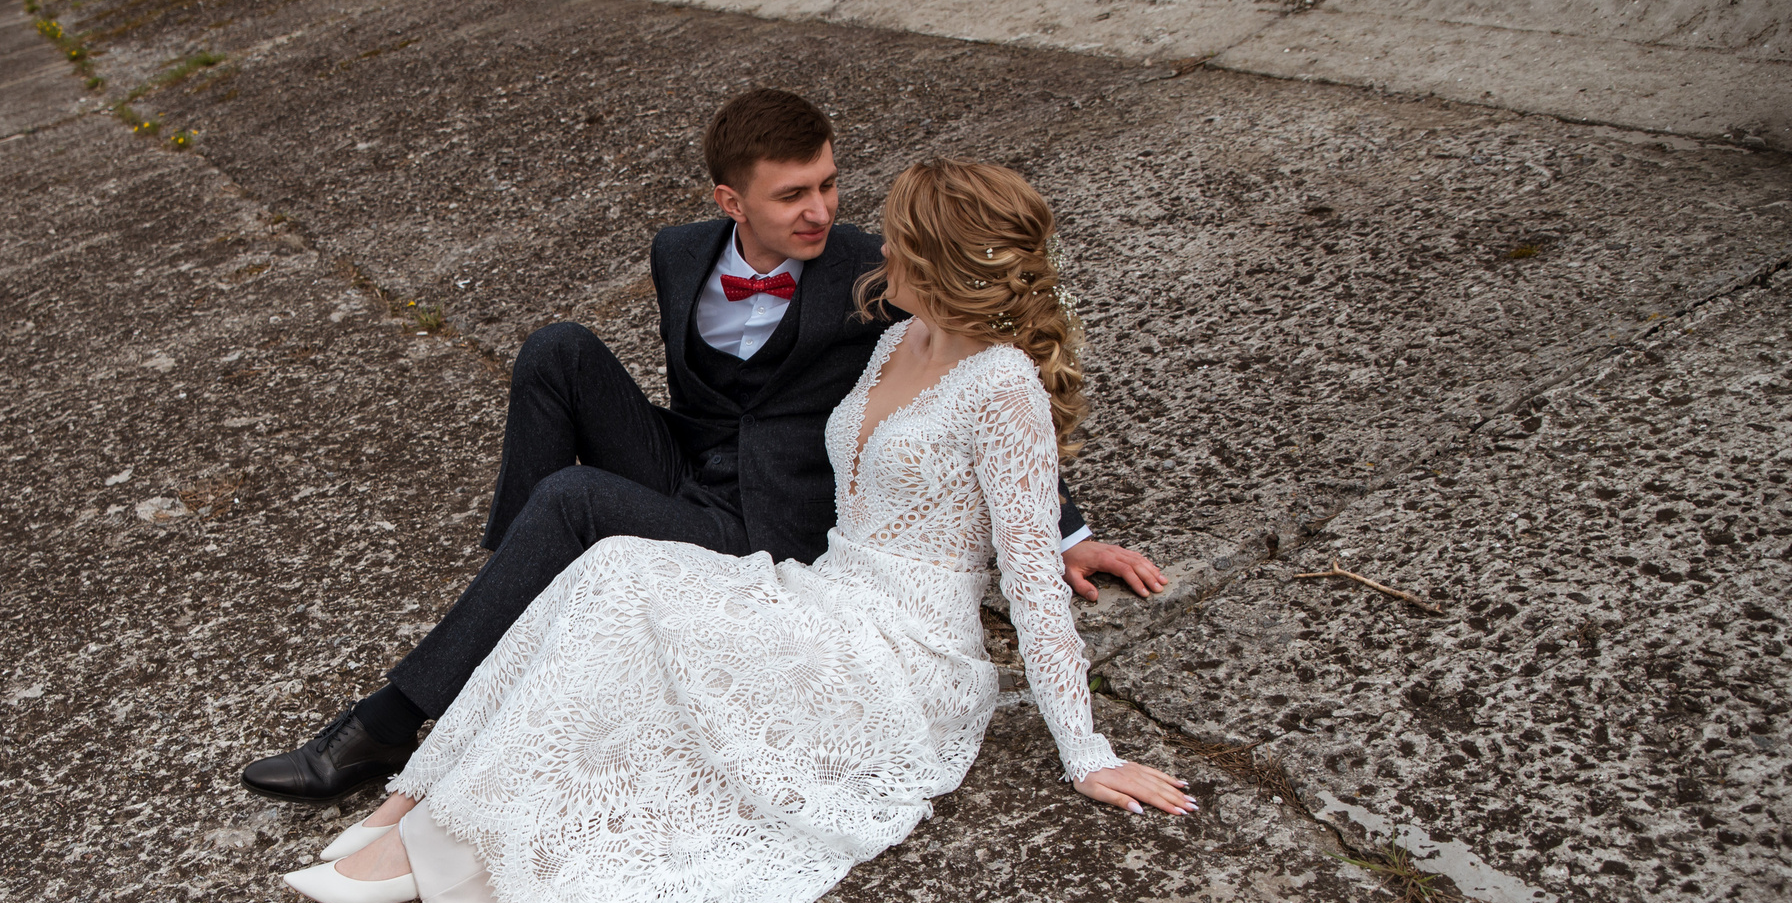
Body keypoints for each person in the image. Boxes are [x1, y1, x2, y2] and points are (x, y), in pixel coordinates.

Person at [167, 157, 1191, 903]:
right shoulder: (896, 336)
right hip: (824, 590)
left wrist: (1085, 749)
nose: (869, 248)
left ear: (944, 263)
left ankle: (434, 844)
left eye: (895, 239)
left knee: (637, 598)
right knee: (616, 571)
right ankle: (432, 819)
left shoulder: (1001, 385)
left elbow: (1027, 575)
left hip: (900, 660)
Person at [239, 90, 1165, 814]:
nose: (820, 212)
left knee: (571, 502)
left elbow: (977, 378)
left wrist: (1065, 528)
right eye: (791, 195)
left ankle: (387, 726)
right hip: (688, 463)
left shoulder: (869, 272)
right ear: (731, 202)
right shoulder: (678, 254)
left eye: (829, 186)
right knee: (559, 349)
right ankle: (513, 591)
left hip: (773, 516)